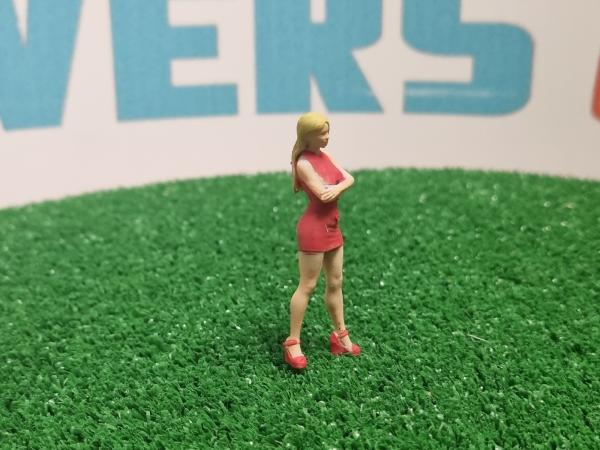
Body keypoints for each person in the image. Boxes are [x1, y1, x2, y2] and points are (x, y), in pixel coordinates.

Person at [282, 112, 361, 370]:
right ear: (308, 136)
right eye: (322, 133)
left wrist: (337, 186)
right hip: (314, 229)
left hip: (333, 227)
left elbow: (349, 178)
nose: (327, 137)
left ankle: (340, 335)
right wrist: (339, 186)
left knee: (336, 282)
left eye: (328, 132)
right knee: (308, 285)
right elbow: (324, 195)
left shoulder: (325, 156)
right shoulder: (304, 164)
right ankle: (293, 342)